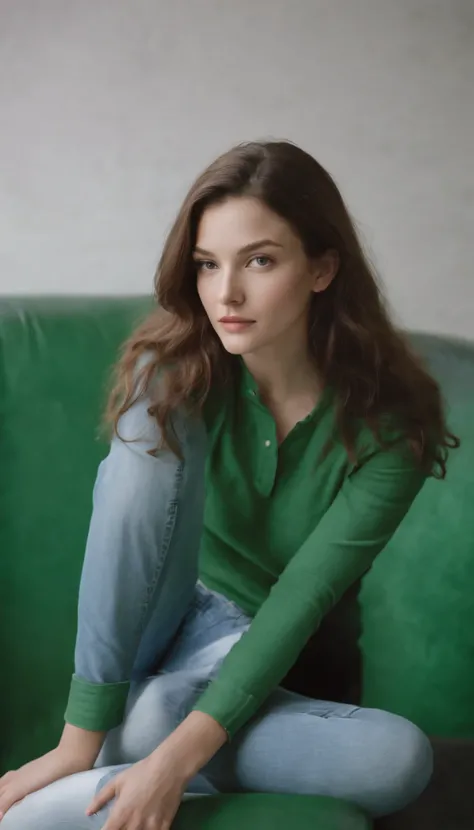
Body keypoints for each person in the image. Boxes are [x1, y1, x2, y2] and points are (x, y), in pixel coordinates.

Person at [0, 140, 458, 830]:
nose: (226, 294)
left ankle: (151, 727)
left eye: (261, 261)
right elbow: (131, 520)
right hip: (172, 625)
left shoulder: (389, 427)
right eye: (208, 265)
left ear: (322, 268)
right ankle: (106, 742)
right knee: (147, 440)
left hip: (285, 672)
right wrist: (76, 744)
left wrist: (176, 759)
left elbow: (302, 600)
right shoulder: (175, 367)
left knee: (400, 760)